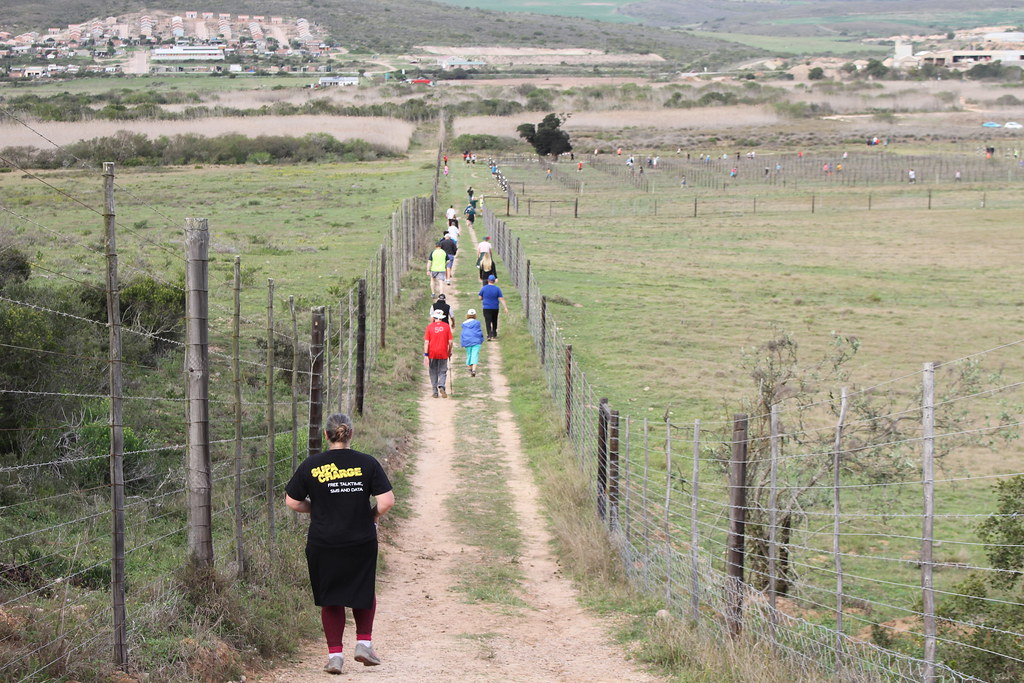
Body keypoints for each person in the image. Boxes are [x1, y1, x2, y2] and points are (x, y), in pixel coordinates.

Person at [285, 413, 395, 675]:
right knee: (362, 589)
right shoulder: (367, 463)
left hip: (324, 540)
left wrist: (317, 509)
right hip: (360, 538)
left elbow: (291, 501)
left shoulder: (312, 465)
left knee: (330, 597)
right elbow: (387, 500)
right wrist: (372, 516)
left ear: (326, 435)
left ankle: (335, 656)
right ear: (351, 434)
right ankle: (364, 644)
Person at [424, 308, 453, 398]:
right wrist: (449, 351)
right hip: (443, 352)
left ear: (434, 317)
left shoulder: (429, 327)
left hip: (432, 352)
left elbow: (426, 342)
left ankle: (435, 391)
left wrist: (425, 354)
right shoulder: (446, 326)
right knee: (443, 370)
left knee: (433, 371)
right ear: (442, 317)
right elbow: (450, 341)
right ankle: (441, 385)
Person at [478, 274, 509, 341]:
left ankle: (489, 335)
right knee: (494, 320)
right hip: (495, 307)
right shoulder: (497, 289)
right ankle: (494, 333)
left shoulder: (484, 288)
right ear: (494, 281)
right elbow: (501, 298)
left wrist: (484, 298)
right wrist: (505, 307)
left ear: (488, 280)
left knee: (488, 321)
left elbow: (480, 297)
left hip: (486, 307)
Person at [460, 309, 484, 377]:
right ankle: (474, 370)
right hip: (476, 340)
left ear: (467, 315)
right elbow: (479, 332)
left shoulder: (464, 324)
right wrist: (481, 339)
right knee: (475, 354)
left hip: (467, 341)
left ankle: (470, 368)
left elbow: (463, 333)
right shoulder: (477, 323)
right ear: (475, 315)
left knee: (469, 354)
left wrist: (462, 342)